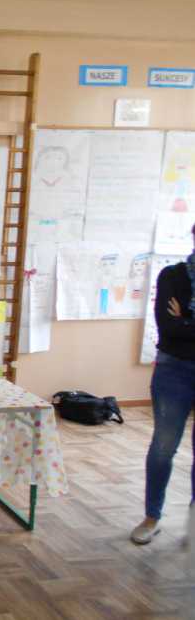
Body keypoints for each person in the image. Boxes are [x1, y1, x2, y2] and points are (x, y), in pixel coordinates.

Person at [131, 221, 195, 546]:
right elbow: (169, 328)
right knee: (163, 446)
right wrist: (181, 322)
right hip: (174, 370)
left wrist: (186, 320)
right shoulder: (173, 276)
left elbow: (181, 326)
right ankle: (152, 517)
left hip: (178, 359)